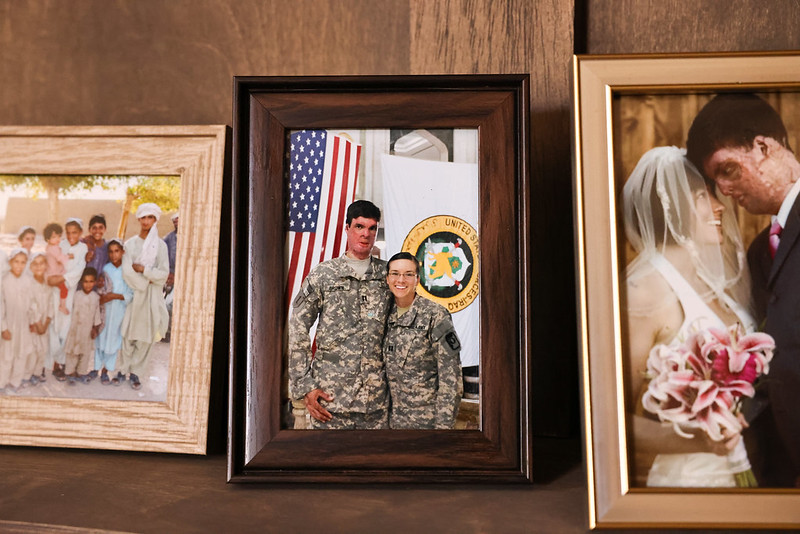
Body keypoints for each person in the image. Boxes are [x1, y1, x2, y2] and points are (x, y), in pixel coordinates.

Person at [622, 146, 756, 487]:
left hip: (751, 473)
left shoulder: (717, 280)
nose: (719, 207)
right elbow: (611, 421)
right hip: (691, 483)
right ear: (670, 203)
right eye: (702, 196)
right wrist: (702, 440)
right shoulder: (642, 291)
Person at [687, 93, 800, 487]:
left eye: (729, 169)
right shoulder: (760, 251)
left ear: (764, 147)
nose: (722, 189)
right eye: (714, 180)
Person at [288, 200, 392, 429]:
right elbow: (297, 327)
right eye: (359, 226)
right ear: (347, 228)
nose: (366, 234)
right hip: (330, 402)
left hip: (377, 405)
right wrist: (305, 385)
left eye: (372, 228)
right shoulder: (324, 275)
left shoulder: (389, 276)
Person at [382, 252, 462, 429]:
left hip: (426, 424)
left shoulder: (435, 315)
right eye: (395, 273)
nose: (401, 280)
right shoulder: (383, 316)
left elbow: (451, 379)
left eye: (408, 274)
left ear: (417, 279)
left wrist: (442, 429)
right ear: (387, 279)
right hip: (390, 424)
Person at [117, 203, 169, 391]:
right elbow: (126, 270)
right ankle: (123, 370)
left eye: (150, 218)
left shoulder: (160, 246)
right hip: (134, 294)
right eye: (144, 217)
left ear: (155, 220)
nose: (147, 221)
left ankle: (136, 373)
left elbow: (163, 274)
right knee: (128, 333)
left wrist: (144, 270)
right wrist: (143, 281)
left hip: (152, 297)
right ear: (138, 219)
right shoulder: (130, 244)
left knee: (146, 336)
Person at [47, 218, 88, 380]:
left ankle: (60, 362)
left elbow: (79, 269)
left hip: (68, 292)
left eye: (75, 232)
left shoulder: (83, 247)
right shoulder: (61, 245)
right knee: (53, 326)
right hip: (54, 291)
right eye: (68, 232)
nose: (71, 236)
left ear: (80, 233)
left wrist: (62, 279)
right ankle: (51, 363)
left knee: (65, 328)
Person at [95, 239, 132, 385]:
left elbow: (131, 294)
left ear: (122, 252)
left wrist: (115, 296)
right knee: (100, 337)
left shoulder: (128, 271)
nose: (113, 254)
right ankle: (95, 368)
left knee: (113, 339)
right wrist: (103, 297)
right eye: (110, 251)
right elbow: (100, 287)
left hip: (119, 310)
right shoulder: (106, 269)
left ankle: (106, 369)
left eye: (117, 251)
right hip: (105, 309)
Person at [0, 249, 35, 393]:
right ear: (10, 262)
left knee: (21, 353)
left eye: (23, 262)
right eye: (16, 262)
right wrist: (4, 327)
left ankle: (15, 382)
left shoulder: (27, 280)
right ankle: (2, 383)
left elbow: (32, 302)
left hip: (23, 324)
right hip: (9, 323)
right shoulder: (4, 280)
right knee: (6, 355)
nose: (19, 266)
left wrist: (32, 320)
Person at [63, 267, 102, 384]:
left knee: (85, 353)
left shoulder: (96, 297)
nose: (88, 285)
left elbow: (97, 314)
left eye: (91, 282)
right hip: (75, 330)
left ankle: (81, 372)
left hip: (87, 331)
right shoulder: (76, 295)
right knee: (72, 352)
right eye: (85, 282)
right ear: (81, 282)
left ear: (95, 282)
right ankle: (70, 373)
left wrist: (95, 328)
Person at [28, 252, 52, 384]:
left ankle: (37, 373)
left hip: (44, 324)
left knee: (42, 349)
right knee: (32, 349)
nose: (38, 267)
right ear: (31, 267)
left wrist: (47, 322)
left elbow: (50, 304)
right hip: (33, 323)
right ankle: (28, 374)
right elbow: (31, 305)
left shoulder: (47, 284)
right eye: (35, 264)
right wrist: (37, 323)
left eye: (41, 263)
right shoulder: (29, 284)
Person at [43, 222, 72, 315]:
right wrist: (69, 258)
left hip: (53, 272)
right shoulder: (53, 248)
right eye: (54, 237)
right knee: (64, 288)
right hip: (54, 273)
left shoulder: (50, 247)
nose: (58, 239)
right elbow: (60, 258)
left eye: (59, 236)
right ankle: (62, 306)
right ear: (48, 239)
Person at [162, 212, 178, 342]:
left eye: (179, 220)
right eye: (175, 221)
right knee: (168, 304)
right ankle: (168, 332)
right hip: (172, 276)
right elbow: (163, 254)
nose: (177, 223)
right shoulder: (169, 238)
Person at [82, 214, 109, 278]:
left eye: (100, 228)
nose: (97, 231)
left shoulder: (108, 247)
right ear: (89, 229)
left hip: (100, 285)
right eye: (94, 228)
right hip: (84, 285)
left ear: (105, 229)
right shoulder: (84, 244)